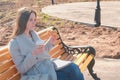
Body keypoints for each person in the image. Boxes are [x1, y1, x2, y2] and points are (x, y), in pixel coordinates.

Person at [8, 7, 84, 80]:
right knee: (68, 77)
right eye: (31, 20)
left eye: (35, 19)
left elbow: (42, 52)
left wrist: (50, 42)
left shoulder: (33, 34)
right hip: (38, 74)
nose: (34, 22)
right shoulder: (14, 43)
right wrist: (33, 54)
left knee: (74, 68)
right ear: (23, 21)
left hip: (48, 66)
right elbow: (22, 69)